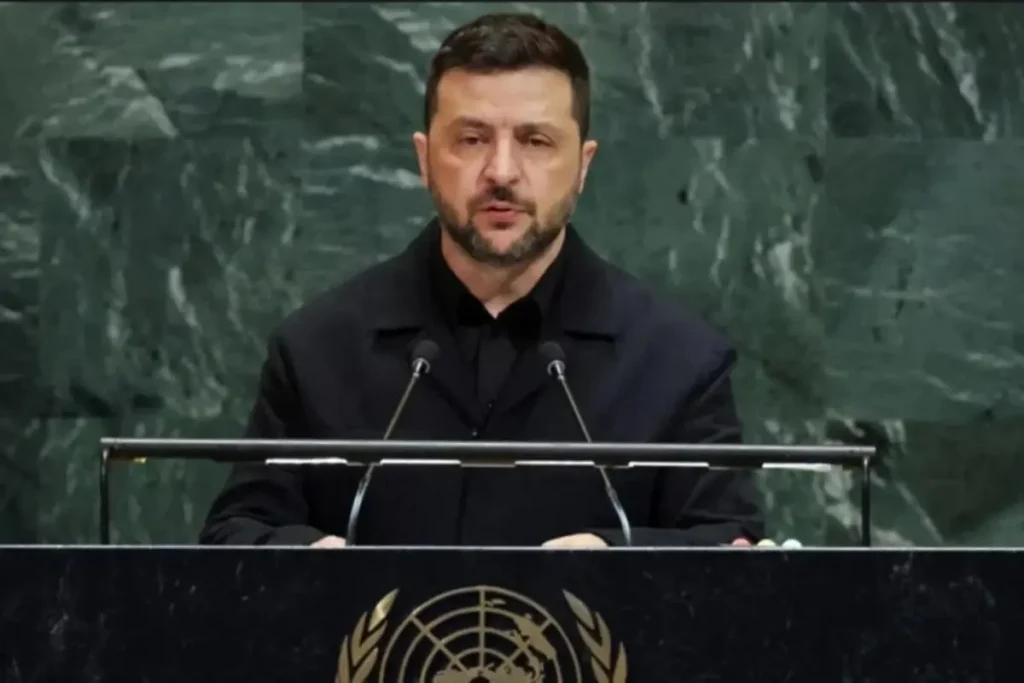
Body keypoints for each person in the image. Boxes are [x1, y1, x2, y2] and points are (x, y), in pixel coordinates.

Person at [199, 12, 765, 549]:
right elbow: (237, 532)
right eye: (471, 139)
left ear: (583, 165)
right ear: (424, 159)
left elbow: (729, 546)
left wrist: (614, 557)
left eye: (536, 141)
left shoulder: (678, 362)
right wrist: (310, 557)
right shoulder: (317, 349)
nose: (501, 172)